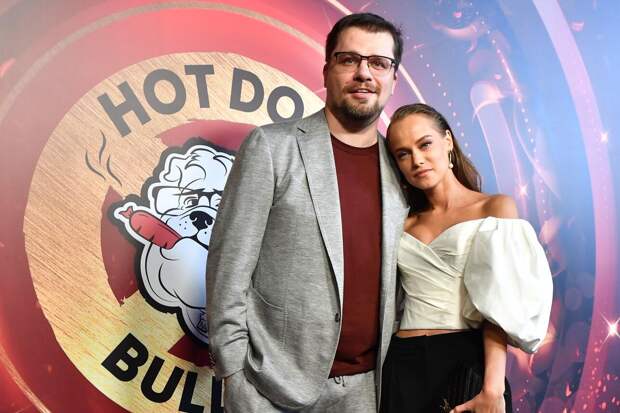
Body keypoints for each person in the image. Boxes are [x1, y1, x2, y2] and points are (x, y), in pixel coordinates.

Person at [206, 13, 409, 413]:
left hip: (367, 392)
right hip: (269, 388)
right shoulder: (272, 147)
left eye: (378, 63)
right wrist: (233, 374)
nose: (364, 73)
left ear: (393, 79)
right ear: (327, 69)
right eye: (349, 59)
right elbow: (228, 267)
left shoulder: (402, 168)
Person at [380, 103, 553, 413]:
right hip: (402, 366)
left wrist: (493, 389)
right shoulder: (400, 224)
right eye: (403, 154)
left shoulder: (495, 208)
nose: (417, 160)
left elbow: (500, 306)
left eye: (425, 144)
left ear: (447, 141)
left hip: (466, 365)